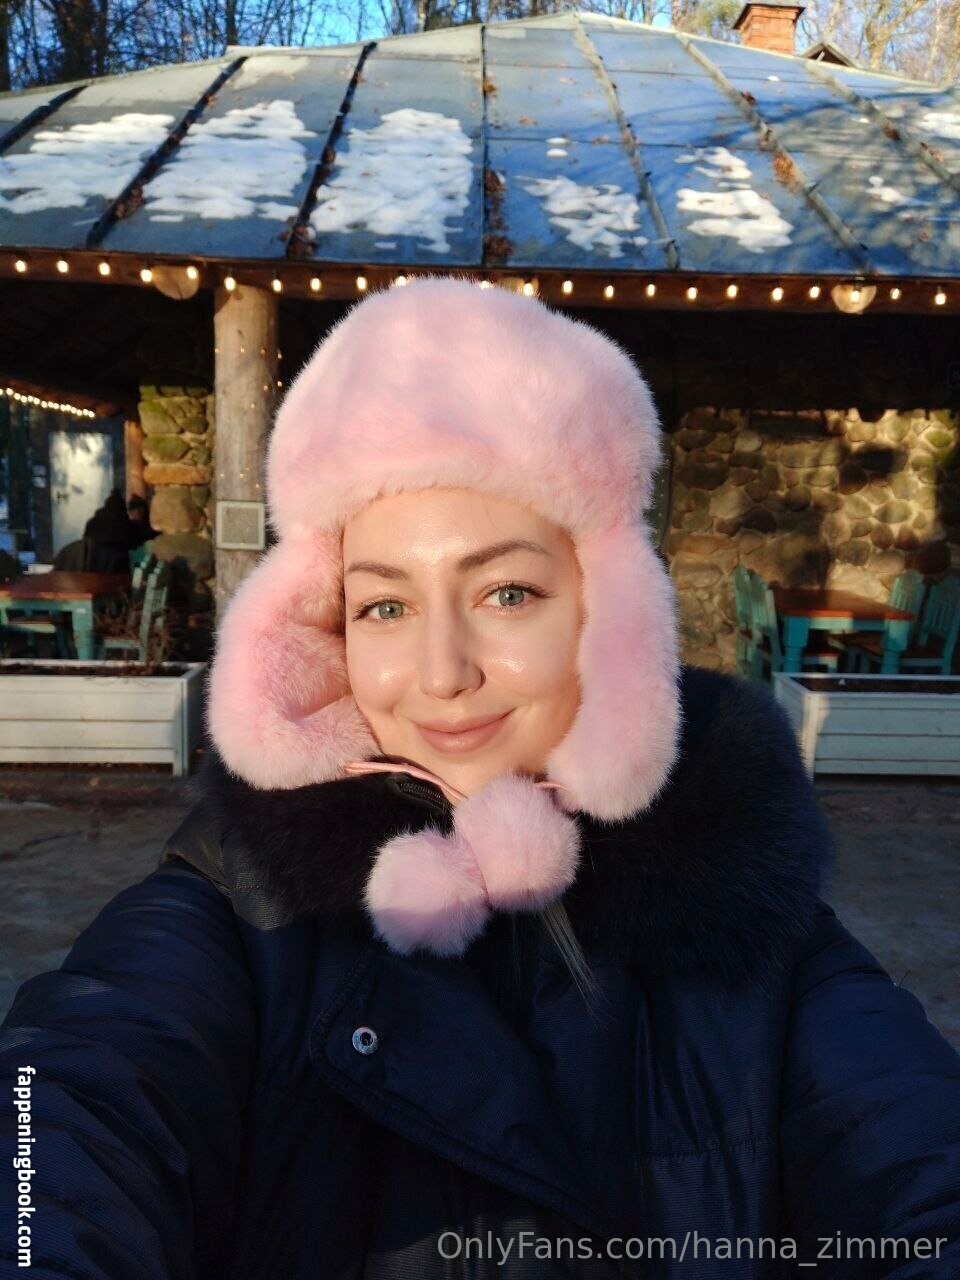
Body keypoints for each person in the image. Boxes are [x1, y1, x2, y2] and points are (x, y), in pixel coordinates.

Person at [1, 278, 958, 1280]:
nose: (442, 672)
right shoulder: (238, 900)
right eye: (384, 607)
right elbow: (64, 1110)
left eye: (506, 591)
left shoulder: (748, 908)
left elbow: (918, 1158)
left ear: (605, 609)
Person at [81, 487, 139, 573]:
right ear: (122, 508)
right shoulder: (125, 524)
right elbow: (135, 543)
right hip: (118, 569)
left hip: (93, 567)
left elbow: (85, 542)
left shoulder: (92, 523)